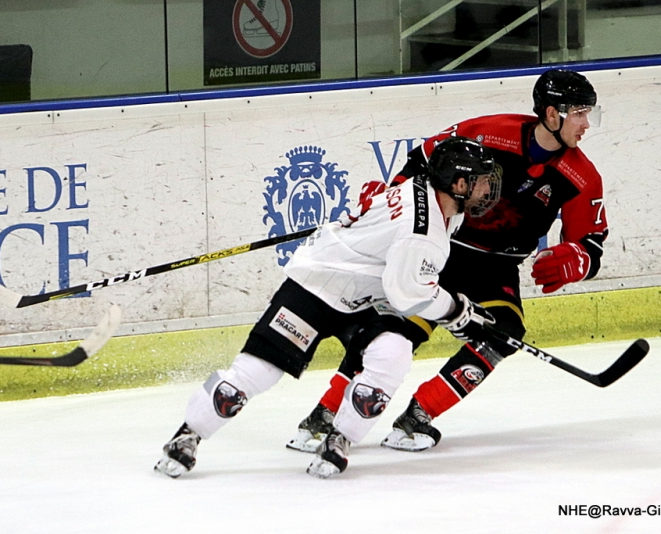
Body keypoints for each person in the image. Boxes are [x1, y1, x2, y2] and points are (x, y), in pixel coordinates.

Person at [286, 68, 609, 453]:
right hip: (440, 250)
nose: (587, 123)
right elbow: (423, 164)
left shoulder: (583, 176)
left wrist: (577, 260)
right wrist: (390, 196)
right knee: (396, 329)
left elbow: (591, 242)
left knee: (501, 331)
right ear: (552, 114)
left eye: (590, 113)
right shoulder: (489, 132)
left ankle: (419, 415)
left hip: (496, 269)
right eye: (579, 113)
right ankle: (325, 414)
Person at [154, 137, 502, 479]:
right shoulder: (423, 231)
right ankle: (188, 434)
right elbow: (408, 294)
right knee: (255, 373)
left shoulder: (433, 198)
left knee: (393, 353)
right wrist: (456, 312)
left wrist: (451, 309)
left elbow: (400, 277)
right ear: (458, 183)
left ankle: (340, 438)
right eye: (482, 181)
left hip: (367, 296)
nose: (488, 189)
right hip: (317, 285)